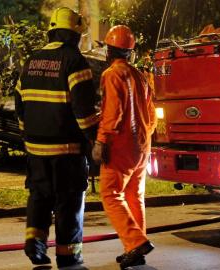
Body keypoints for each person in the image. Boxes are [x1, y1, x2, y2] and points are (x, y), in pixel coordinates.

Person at [14, 7, 98, 268]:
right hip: (67, 152)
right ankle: (68, 255)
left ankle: (34, 243)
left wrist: (29, 132)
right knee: (68, 203)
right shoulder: (75, 62)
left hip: (36, 149)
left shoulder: (32, 60)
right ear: (74, 35)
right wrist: (95, 139)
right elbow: (84, 113)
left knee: (39, 197)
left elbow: (19, 103)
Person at [92, 25, 157, 269]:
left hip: (120, 147)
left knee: (110, 195)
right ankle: (134, 249)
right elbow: (151, 115)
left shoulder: (111, 75)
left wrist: (101, 141)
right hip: (141, 147)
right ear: (129, 52)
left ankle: (136, 242)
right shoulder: (139, 75)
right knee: (134, 196)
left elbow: (113, 113)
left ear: (109, 51)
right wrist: (144, 138)